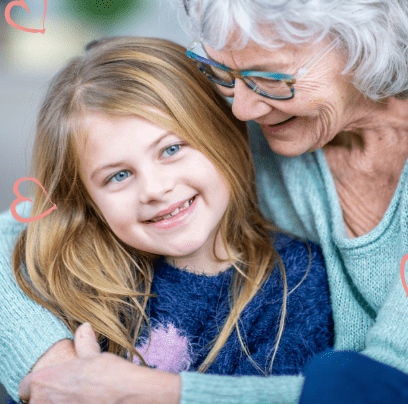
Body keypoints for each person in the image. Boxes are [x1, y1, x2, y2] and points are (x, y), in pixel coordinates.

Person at [0, 0, 408, 402]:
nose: (240, 108)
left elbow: (406, 390)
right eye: (222, 72)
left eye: (268, 79)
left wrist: (152, 392)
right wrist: (59, 368)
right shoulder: (247, 122)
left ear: (367, 38)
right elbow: (15, 237)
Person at [2, 37, 333, 404]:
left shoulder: (295, 283)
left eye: (171, 150)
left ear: (222, 135)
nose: (155, 189)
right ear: (86, 199)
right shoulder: (73, 274)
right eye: (118, 176)